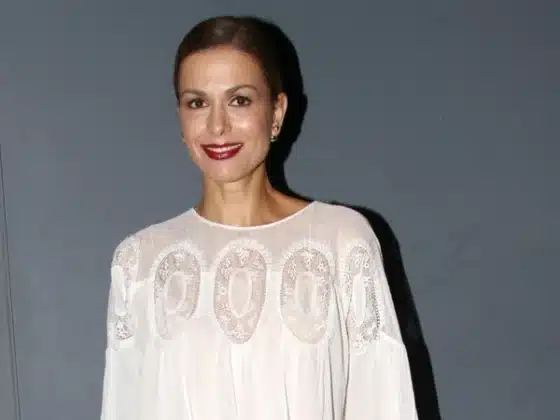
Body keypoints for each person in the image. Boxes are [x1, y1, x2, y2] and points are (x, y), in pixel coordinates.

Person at [100, 15, 418, 420]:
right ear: (180, 117)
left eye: (240, 100)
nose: (217, 125)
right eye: (197, 103)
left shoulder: (342, 242)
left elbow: (384, 405)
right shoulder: (139, 263)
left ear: (277, 111)